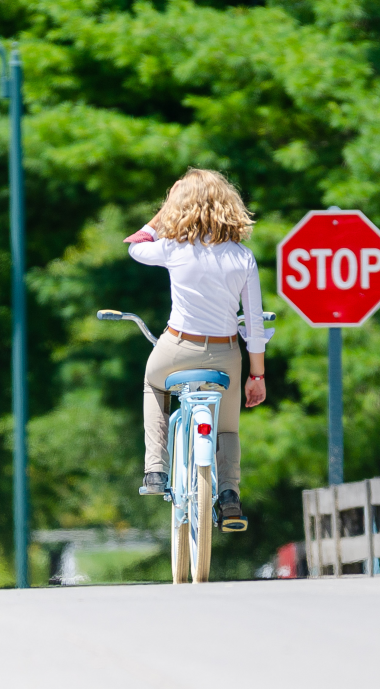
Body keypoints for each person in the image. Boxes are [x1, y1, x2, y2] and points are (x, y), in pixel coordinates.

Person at [125, 168, 267, 524]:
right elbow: (254, 325)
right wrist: (257, 376)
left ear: (180, 206)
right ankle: (230, 494)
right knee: (228, 428)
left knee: (153, 384)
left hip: (176, 348)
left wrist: (163, 213)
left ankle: (155, 469)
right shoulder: (242, 257)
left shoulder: (174, 248)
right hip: (225, 356)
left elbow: (135, 247)